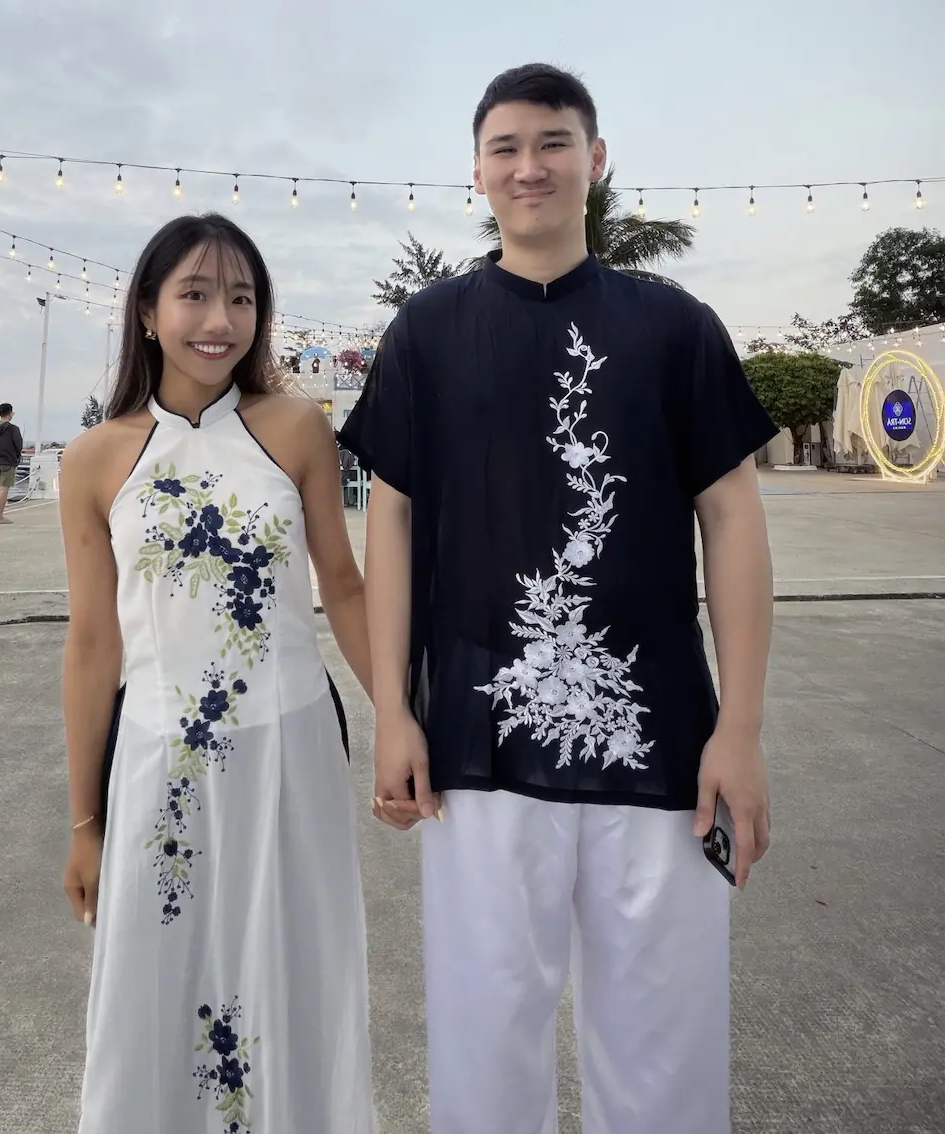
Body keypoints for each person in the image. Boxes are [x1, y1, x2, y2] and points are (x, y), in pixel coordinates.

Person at [337, 63, 779, 1134]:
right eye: (505, 147)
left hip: (662, 741)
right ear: (477, 170)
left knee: (664, 1047)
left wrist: (741, 729)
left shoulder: (674, 325)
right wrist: (393, 709)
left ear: (596, 158)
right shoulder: (426, 331)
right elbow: (389, 522)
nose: (528, 166)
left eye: (553, 142)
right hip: (477, 740)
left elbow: (732, 518)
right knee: (484, 1041)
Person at [59, 213, 375, 1134]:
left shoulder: (297, 428)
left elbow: (343, 585)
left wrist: (398, 719)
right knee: (154, 990)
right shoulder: (94, 458)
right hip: (158, 767)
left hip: (290, 753)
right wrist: (84, 822)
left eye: (241, 298)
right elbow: (93, 645)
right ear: (147, 312)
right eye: (194, 295)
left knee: (296, 976)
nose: (219, 320)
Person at [0, 403, 23, 523]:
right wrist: (16, 457)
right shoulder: (13, 429)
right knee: (4, 488)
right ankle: (0, 517)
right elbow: (18, 445)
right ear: (10, 413)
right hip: (8, 461)